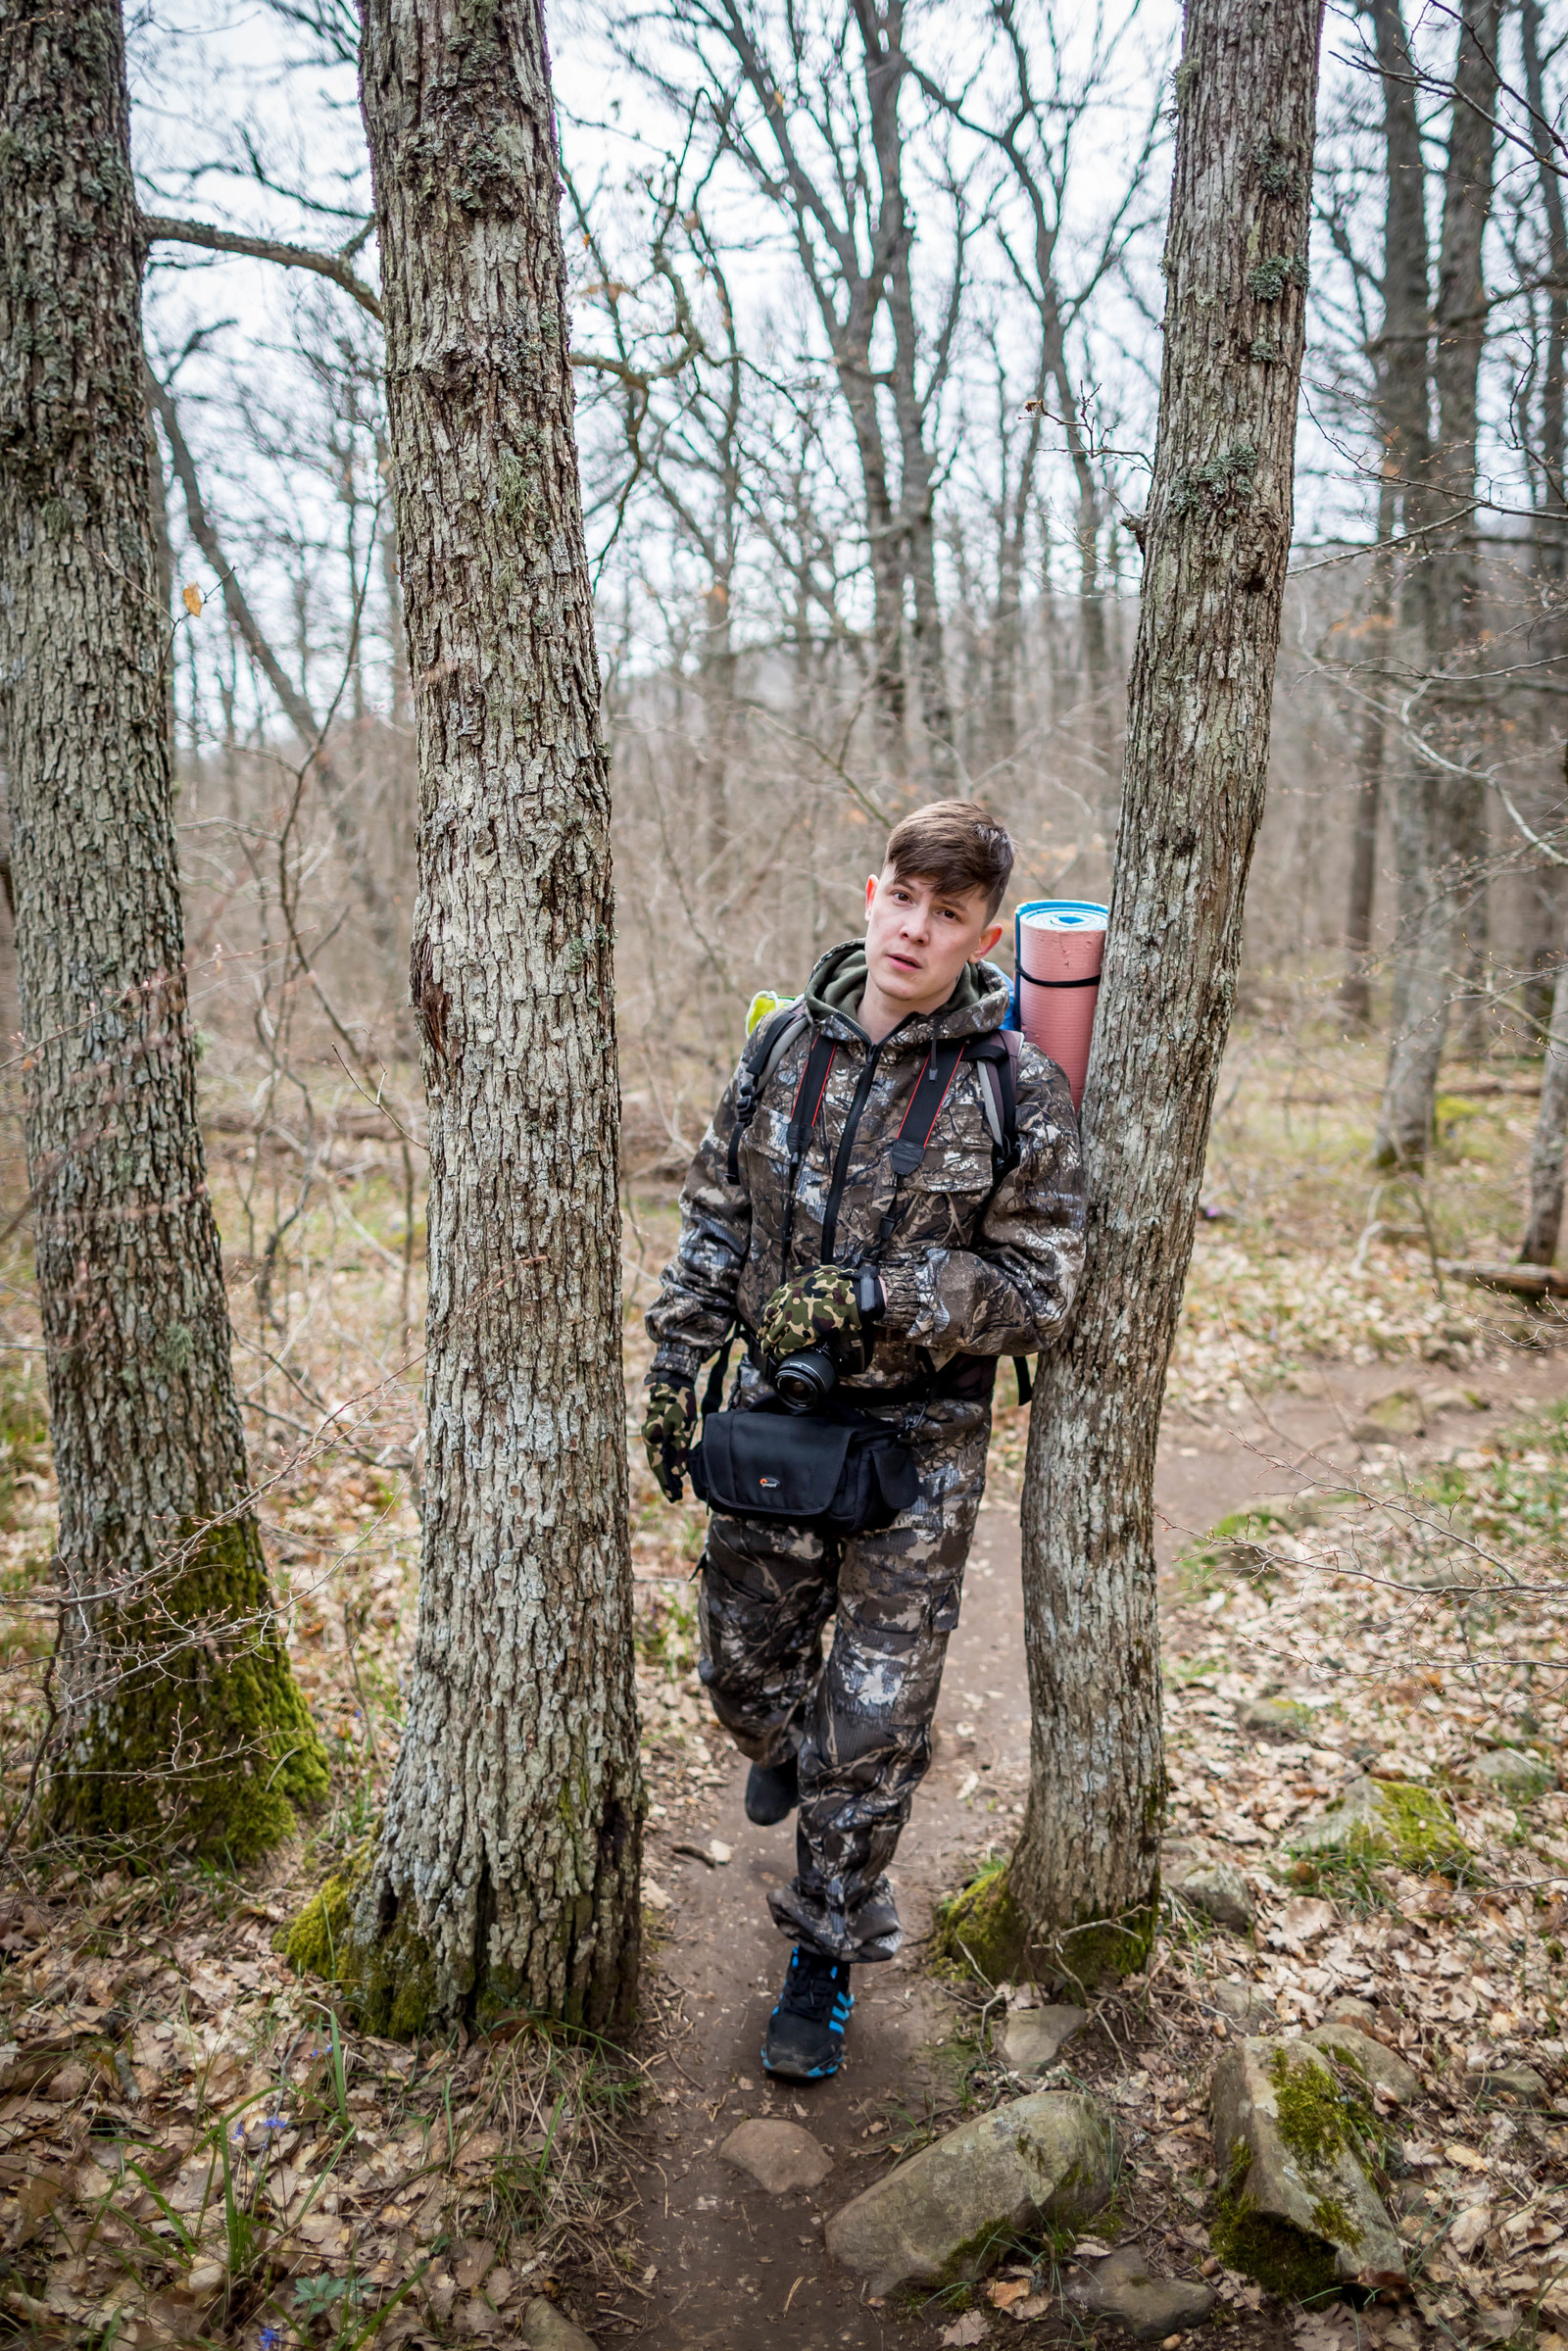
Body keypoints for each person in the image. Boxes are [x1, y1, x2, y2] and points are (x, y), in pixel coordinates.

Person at [641, 800, 1087, 2081]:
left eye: (947, 913)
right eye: (903, 897)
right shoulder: (782, 1047)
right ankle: (776, 1749)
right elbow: (717, 1213)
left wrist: (884, 1296)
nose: (915, 928)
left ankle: (825, 1951)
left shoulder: (1018, 1089)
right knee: (741, 1675)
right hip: (776, 1423)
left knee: (874, 1721)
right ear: (870, 892)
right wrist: (677, 1364)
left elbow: (1044, 1290)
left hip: (918, 1450)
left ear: (982, 932)